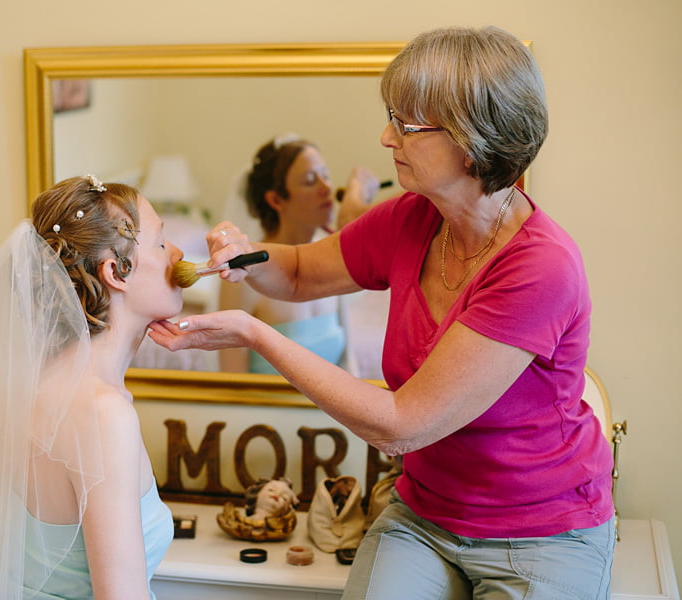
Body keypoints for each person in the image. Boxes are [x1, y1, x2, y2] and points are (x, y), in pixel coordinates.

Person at [149, 26, 615, 599]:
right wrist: (245, 255)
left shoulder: (540, 267)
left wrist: (255, 334)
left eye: (407, 125)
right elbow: (295, 272)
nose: (386, 136)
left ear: (474, 140)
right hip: (425, 516)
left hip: (542, 532)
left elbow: (400, 426)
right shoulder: (411, 219)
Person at [0, 175, 184, 600]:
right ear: (117, 272)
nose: (178, 255)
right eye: (162, 243)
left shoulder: (32, 388)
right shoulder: (103, 414)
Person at [220, 134, 379, 374]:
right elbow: (231, 380)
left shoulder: (332, 255)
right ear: (276, 200)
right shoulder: (242, 273)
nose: (326, 188)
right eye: (309, 181)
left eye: (325, 176)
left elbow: (348, 365)